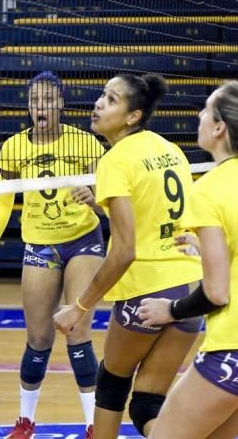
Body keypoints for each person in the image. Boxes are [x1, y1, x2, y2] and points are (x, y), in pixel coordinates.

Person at [53, 73, 203, 439]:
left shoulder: (115, 160)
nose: (98, 104)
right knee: (147, 404)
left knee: (111, 383)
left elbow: (124, 251)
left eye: (112, 99)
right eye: (102, 95)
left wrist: (80, 306)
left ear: (133, 116)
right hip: (190, 291)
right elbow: (157, 214)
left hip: (147, 291)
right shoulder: (169, 149)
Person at [0, 71, 106, 439]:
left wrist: (93, 196)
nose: (40, 107)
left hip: (83, 239)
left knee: (77, 330)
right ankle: (25, 421)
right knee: (38, 339)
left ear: (61, 102)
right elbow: (2, 203)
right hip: (40, 244)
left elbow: (108, 194)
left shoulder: (86, 144)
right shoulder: (14, 148)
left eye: (48, 100)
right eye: (34, 101)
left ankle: (94, 424)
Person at [137, 81, 238, 439]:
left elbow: (216, 294)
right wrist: (212, 251)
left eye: (206, 109)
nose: (198, 115)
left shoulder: (209, 188)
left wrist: (171, 309)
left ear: (219, 127)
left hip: (231, 349)